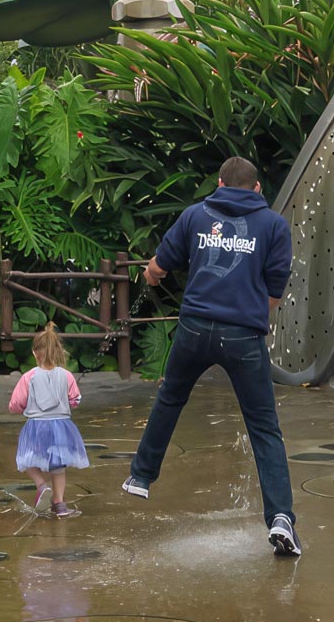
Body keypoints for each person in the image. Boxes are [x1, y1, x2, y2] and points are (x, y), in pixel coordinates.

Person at [122, 156, 302, 557]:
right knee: (263, 427)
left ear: (220, 183)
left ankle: (141, 477)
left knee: (170, 398)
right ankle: (280, 518)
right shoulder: (274, 225)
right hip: (243, 337)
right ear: (257, 189)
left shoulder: (194, 215)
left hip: (194, 330)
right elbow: (275, 292)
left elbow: (160, 266)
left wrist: (150, 275)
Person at [9, 323, 89, 518]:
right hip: (62, 426)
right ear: (58, 351)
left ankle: (41, 485)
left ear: (35, 353)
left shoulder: (29, 377)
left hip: (36, 425)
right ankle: (59, 504)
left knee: (27, 457)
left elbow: (16, 402)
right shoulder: (67, 376)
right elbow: (75, 399)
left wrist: (18, 410)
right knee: (58, 468)